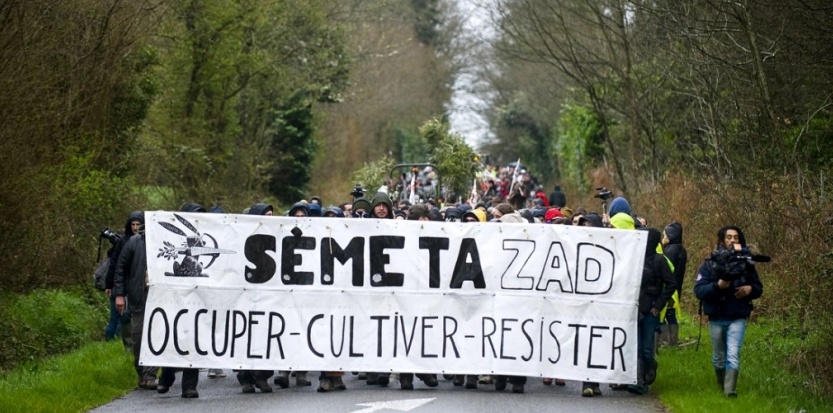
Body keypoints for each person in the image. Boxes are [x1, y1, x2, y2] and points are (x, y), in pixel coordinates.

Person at [694, 225, 763, 398]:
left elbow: (758, 288)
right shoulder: (709, 263)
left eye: (736, 237)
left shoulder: (747, 263)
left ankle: (729, 391)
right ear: (722, 240)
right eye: (729, 237)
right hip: (716, 316)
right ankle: (721, 386)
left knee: (733, 353)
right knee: (719, 357)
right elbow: (699, 290)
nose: (732, 240)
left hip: (737, 315)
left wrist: (749, 289)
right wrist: (718, 286)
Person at [113, 212, 159, 392]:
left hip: (160, 297)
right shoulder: (134, 242)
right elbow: (121, 269)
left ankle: (150, 374)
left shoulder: (164, 242)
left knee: (156, 334)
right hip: (139, 296)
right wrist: (119, 294)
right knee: (138, 335)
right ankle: (141, 371)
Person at [627, 228, 676, 395]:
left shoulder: (659, 260)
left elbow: (671, 284)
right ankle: (640, 381)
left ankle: (649, 367)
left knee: (647, 349)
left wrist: (659, 305)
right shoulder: (634, 259)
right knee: (637, 347)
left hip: (650, 310)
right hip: (634, 308)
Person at [235, 203, 276, 393]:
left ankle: (262, 375)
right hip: (247, 294)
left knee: (267, 337)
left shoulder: (277, 235)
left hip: (269, 295)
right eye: (265, 215)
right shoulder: (242, 236)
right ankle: (245, 376)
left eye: (271, 215)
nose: (269, 219)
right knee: (246, 337)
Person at [104, 211, 143, 348]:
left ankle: (139, 344)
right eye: (133, 224)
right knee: (124, 314)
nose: (135, 227)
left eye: (138, 224)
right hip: (125, 283)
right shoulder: (123, 242)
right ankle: (129, 346)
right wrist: (109, 284)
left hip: (140, 282)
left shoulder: (147, 242)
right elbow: (116, 265)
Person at [660, 222, 687, 346]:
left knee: (664, 313)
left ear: (671, 236)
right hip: (676, 287)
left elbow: (666, 269)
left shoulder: (671, 250)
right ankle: (672, 340)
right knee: (670, 313)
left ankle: (667, 341)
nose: (663, 238)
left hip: (669, 288)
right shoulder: (681, 249)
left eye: (665, 235)